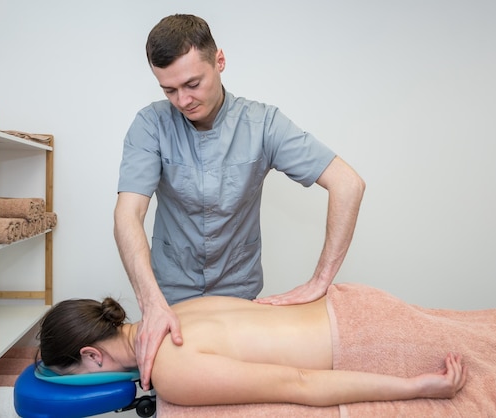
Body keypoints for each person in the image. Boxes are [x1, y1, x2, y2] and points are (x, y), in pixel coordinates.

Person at [114, 14, 365, 390]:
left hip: (238, 292)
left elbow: (348, 183)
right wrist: (151, 304)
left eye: (192, 84)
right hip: (169, 294)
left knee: (241, 390)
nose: (182, 100)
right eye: (169, 90)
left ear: (219, 61)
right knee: (174, 386)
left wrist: (320, 281)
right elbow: (127, 215)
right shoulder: (150, 125)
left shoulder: (263, 123)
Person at [37, 288, 467, 407]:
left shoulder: (171, 370)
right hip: (355, 302)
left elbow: (299, 383)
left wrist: (417, 387)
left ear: (93, 355)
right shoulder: (171, 311)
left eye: (78, 375)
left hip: (365, 340)